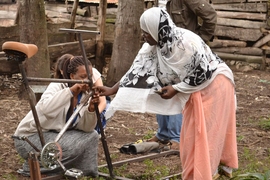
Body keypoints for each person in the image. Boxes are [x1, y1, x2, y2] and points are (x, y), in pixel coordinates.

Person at [95, 7, 238, 179]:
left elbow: (204, 73)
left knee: (203, 136)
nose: (144, 37)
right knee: (192, 137)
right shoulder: (155, 46)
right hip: (198, 90)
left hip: (215, 86)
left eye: (146, 33)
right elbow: (136, 71)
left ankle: (204, 174)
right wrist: (112, 89)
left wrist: (176, 88)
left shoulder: (186, 43)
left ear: (158, 29)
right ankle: (198, 173)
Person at [13, 56, 106, 177]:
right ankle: (35, 167)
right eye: (83, 77)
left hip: (54, 135)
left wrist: (91, 109)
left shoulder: (85, 95)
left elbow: (86, 128)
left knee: (92, 135)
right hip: (29, 138)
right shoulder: (57, 86)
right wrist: (71, 91)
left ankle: (85, 172)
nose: (88, 80)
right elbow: (46, 109)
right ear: (72, 76)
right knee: (67, 148)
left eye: (89, 76)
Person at [148, 0, 217, 149]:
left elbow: (210, 15)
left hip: (182, 52)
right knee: (162, 88)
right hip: (163, 49)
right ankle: (163, 133)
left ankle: (177, 137)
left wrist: (199, 40)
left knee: (177, 90)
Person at [54, 54, 110, 134]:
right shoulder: (59, 85)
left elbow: (103, 102)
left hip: (97, 102)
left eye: (87, 77)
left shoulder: (92, 72)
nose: (86, 80)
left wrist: (93, 114)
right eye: (65, 72)